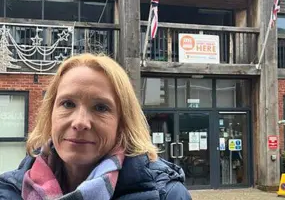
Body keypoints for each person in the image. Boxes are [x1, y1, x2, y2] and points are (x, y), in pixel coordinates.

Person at [0, 53, 192, 200]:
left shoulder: (167, 194)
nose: (80, 122)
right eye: (68, 104)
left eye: (101, 107)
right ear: (50, 113)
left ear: (123, 122)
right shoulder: (9, 191)